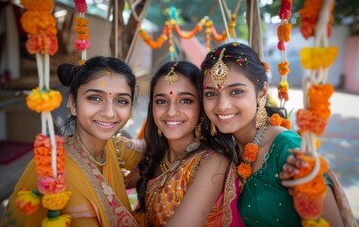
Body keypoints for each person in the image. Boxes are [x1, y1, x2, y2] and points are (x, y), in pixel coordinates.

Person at [199, 42, 347, 226]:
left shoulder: (288, 148)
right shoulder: (223, 147)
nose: (222, 106)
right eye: (211, 94)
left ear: (262, 92)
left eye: (236, 92)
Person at [0, 56, 145, 226]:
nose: (109, 112)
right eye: (95, 98)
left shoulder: (113, 146)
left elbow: (150, 149)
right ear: (73, 104)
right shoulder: (61, 174)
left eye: (121, 101)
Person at [135, 61, 245, 227]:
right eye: (161, 101)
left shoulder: (212, 163)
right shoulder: (156, 157)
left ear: (201, 107)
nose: (171, 112)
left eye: (185, 101)